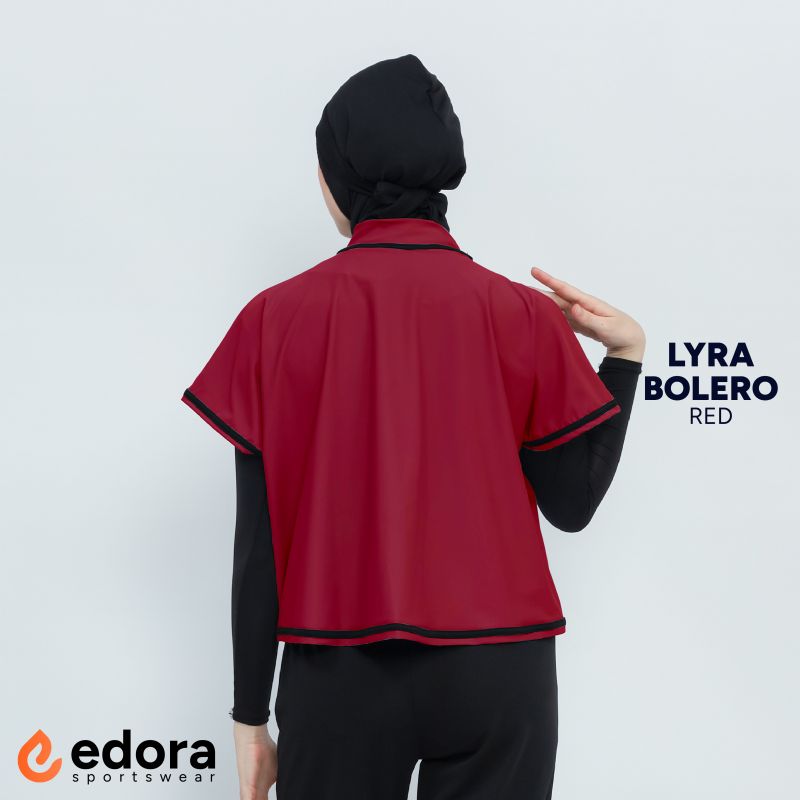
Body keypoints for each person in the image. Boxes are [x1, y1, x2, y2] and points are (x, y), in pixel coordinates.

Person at [181, 53, 645, 800]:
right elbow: (572, 505)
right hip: (502, 670)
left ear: (340, 174)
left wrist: (249, 720)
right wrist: (624, 357)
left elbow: (258, 546)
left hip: (340, 668)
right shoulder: (520, 314)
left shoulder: (275, 319)